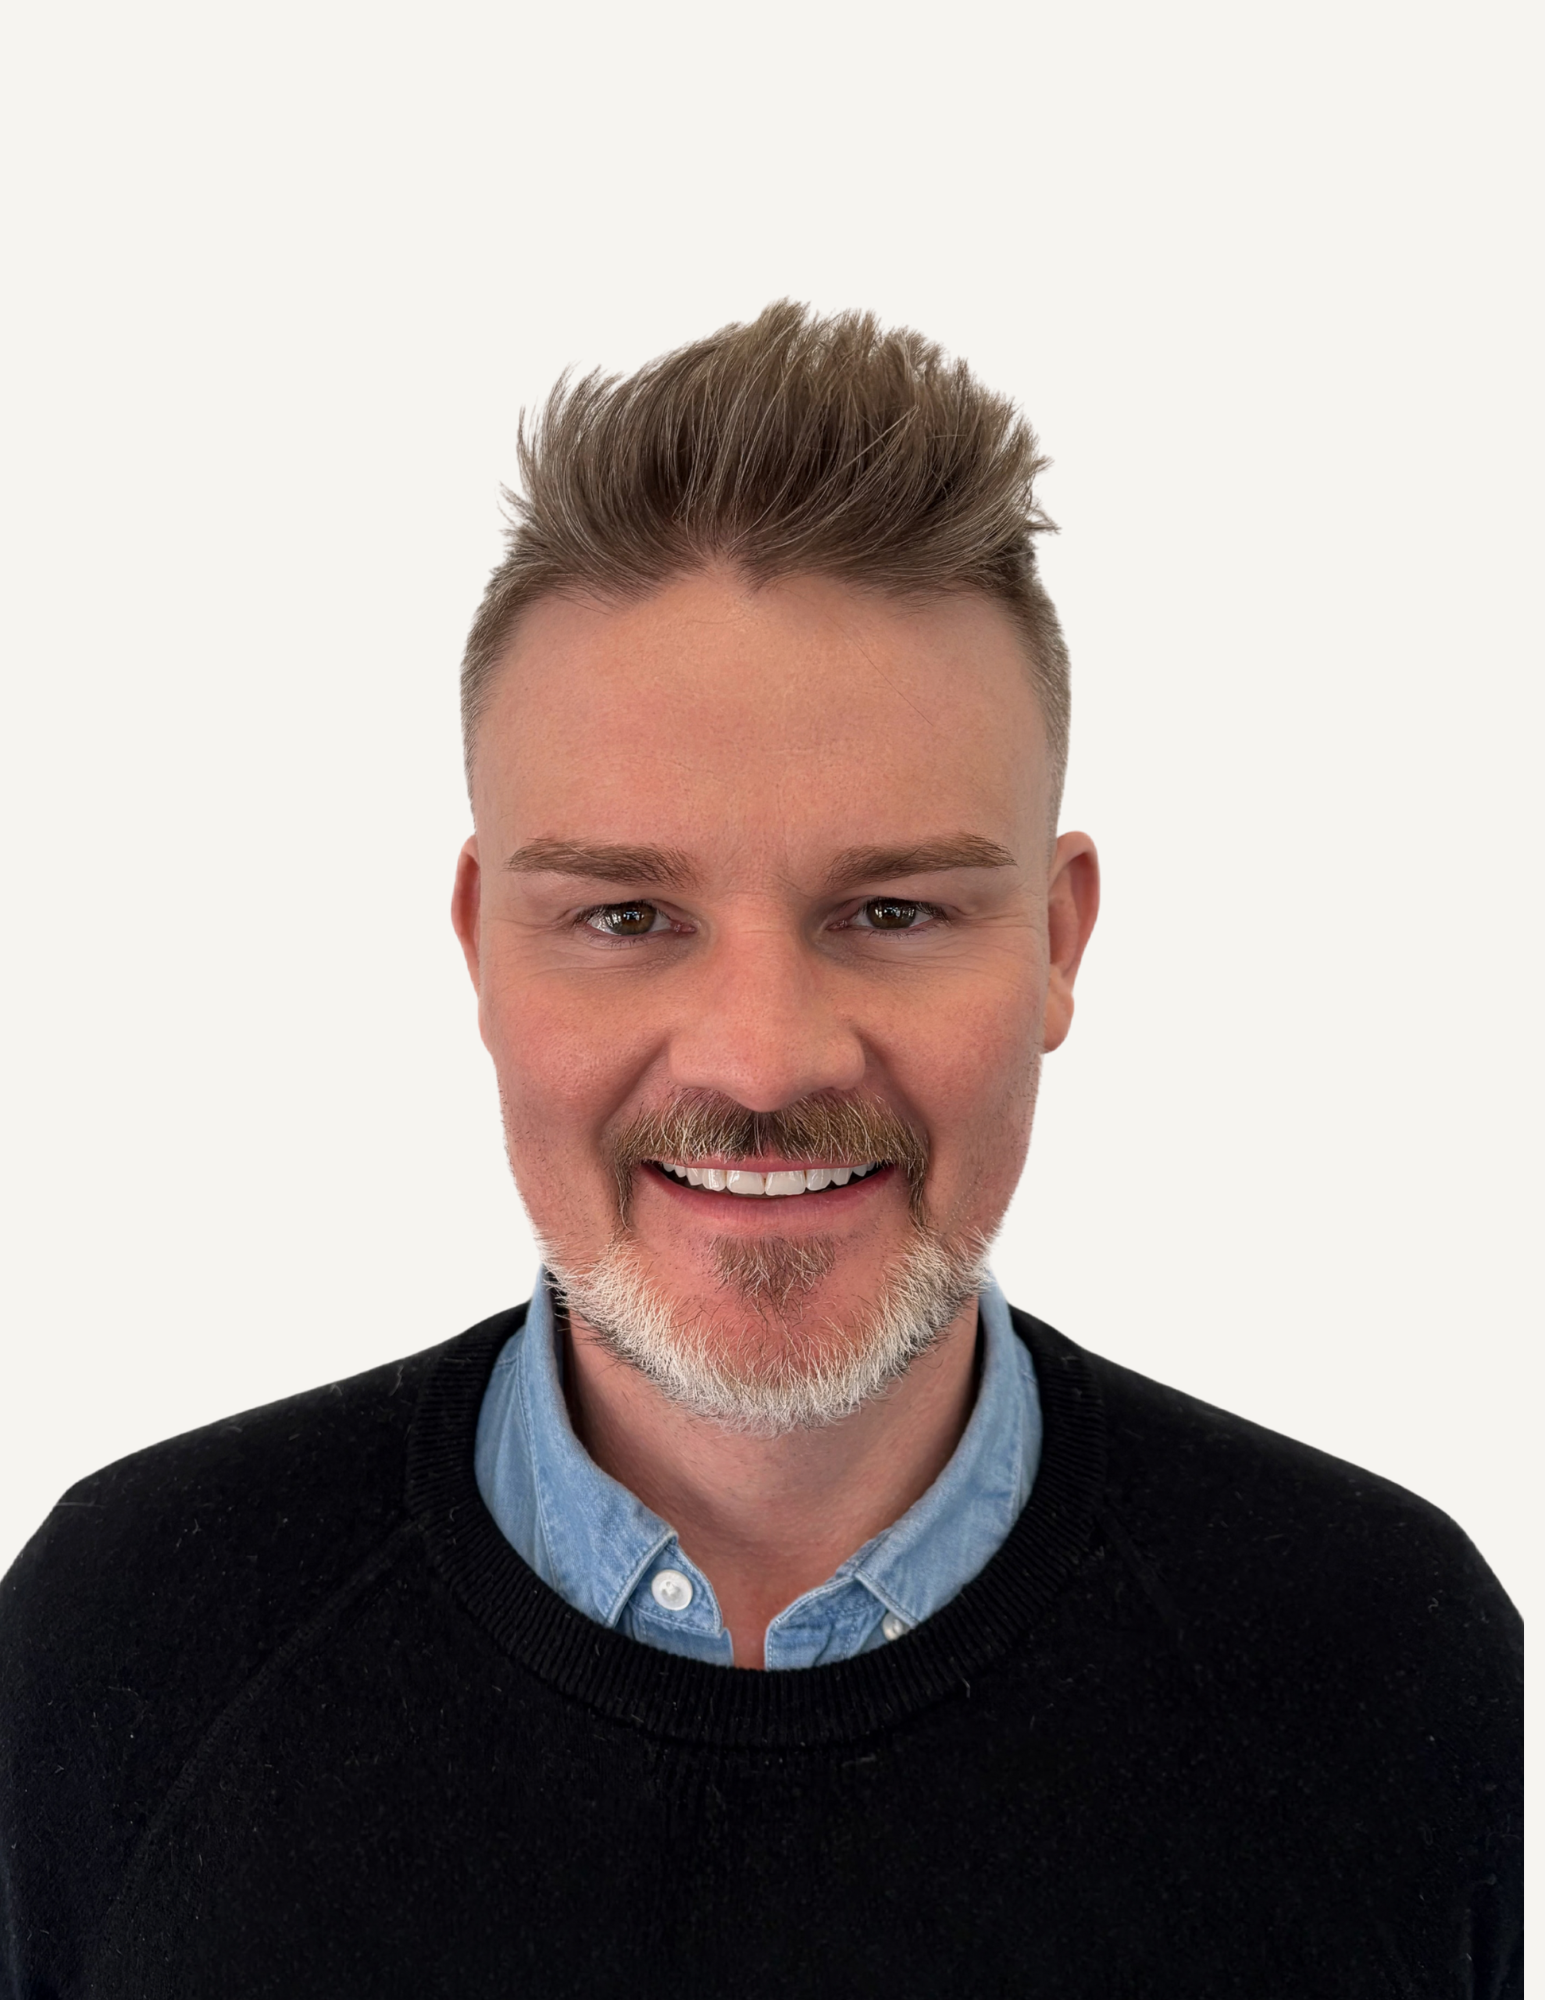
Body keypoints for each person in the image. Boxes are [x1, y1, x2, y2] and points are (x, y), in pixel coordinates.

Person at [0, 304, 1520, 1998]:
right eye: (627, 914)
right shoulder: (123, 1642)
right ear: (481, 945)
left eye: (892, 910)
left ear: (1058, 947)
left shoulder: (1400, 1675)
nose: (763, 1056)